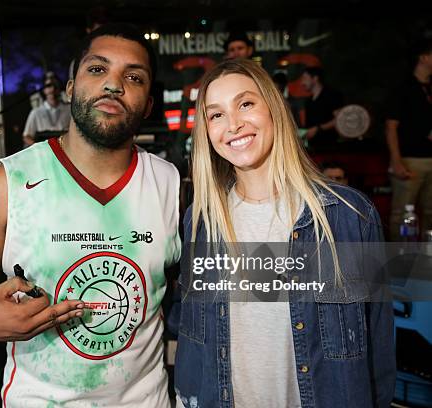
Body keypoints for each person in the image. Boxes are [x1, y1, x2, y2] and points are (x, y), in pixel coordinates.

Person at [0, 23, 181, 407]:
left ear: (148, 104)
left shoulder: (169, 183)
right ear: (71, 86)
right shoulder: (8, 182)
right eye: (97, 69)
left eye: (133, 77)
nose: (113, 85)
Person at [173, 59, 395, 407]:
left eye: (245, 103)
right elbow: (193, 342)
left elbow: (378, 346)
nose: (233, 124)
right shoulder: (199, 222)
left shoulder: (349, 216)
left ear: (273, 108)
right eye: (215, 115)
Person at [386, 37, 432, 241]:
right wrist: (396, 160)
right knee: (403, 214)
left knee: (430, 213)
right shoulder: (403, 88)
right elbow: (391, 126)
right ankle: (399, 259)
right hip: (410, 159)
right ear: (423, 57)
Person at [300, 66, 344, 151]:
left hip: (330, 147)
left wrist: (318, 128)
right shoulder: (308, 101)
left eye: (305, 78)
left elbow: (340, 119)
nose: (302, 82)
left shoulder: (331, 95)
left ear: (315, 78)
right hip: (313, 148)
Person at [22, 75, 71, 147]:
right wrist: (40, 149)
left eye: (55, 86)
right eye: (48, 86)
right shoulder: (36, 112)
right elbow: (26, 136)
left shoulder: (69, 110)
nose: (52, 89)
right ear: (44, 90)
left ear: (59, 88)